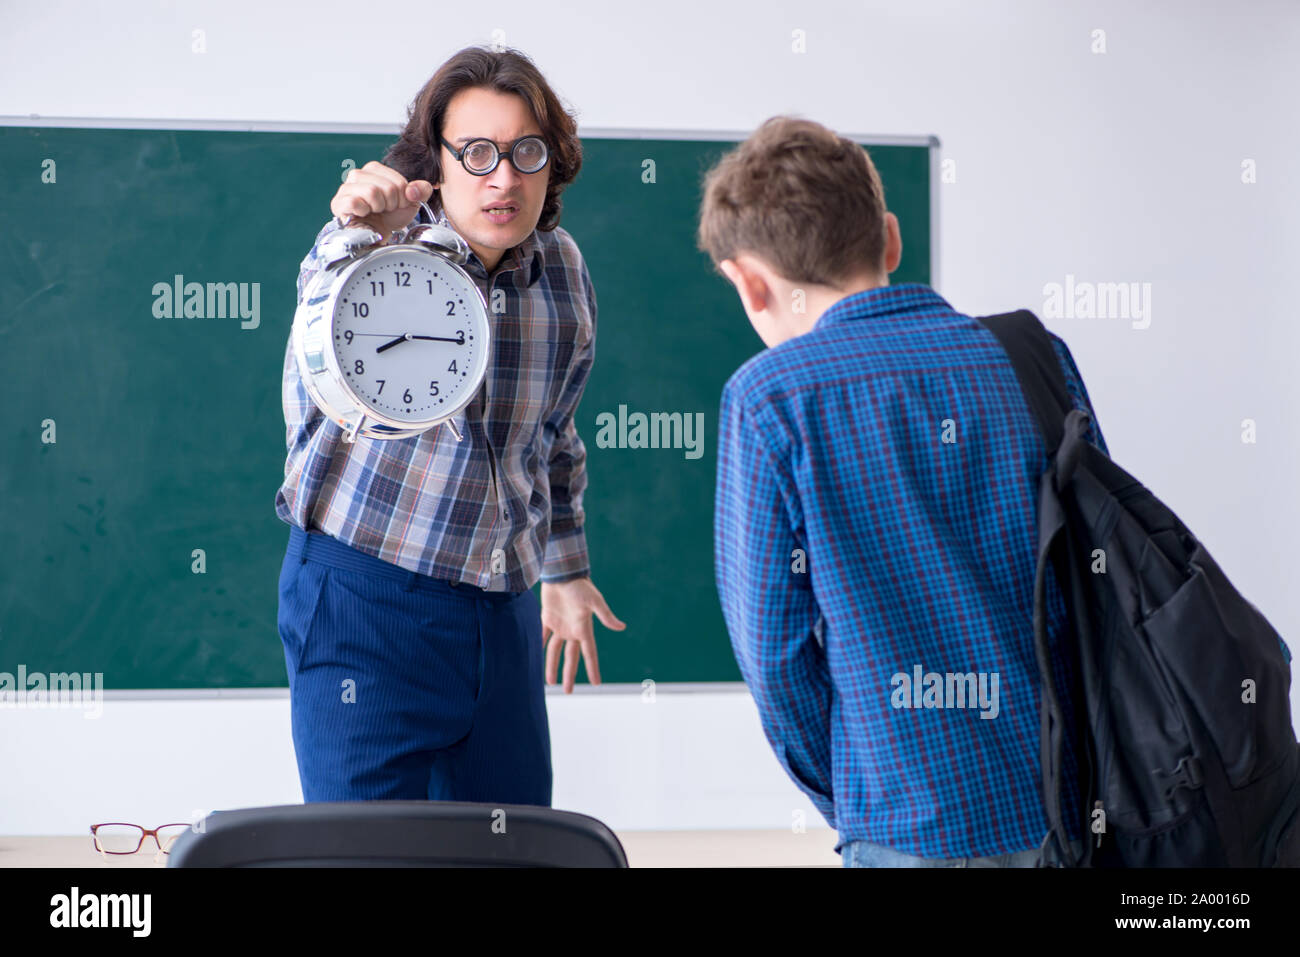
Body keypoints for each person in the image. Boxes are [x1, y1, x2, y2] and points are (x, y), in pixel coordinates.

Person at [700, 116, 1097, 867]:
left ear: (750, 282)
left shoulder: (769, 400)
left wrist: (858, 794)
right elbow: (1095, 581)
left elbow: (776, 662)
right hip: (1063, 805)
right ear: (889, 238)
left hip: (906, 819)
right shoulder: (1035, 356)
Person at [275, 45, 625, 805]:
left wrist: (565, 571)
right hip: (364, 605)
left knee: (515, 851)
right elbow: (319, 333)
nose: (503, 177)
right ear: (434, 161)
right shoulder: (371, 250)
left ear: (551, 163)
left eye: (525, 152)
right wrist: (350, 230)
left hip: (501, 612)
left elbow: (554, 438)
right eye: (476, 153)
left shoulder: (562, 272)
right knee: (361, 860)